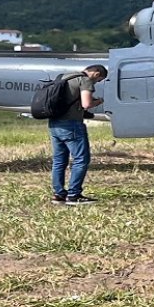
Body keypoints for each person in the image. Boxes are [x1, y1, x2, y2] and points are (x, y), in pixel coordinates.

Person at [49, 64, 108, 205]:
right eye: (99, 79)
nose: (97, 82)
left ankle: (59, 194)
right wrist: (99, 101)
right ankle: (74, 195)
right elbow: (86, 104)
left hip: (55, 123)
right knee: (81, 159)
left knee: (59, 161)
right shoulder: (85, 80)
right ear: (96, 73)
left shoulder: (63, 76)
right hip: (72, 125)